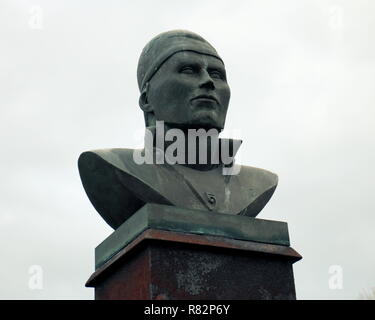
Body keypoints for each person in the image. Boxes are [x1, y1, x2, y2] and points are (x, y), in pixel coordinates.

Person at [78, 30, 278, 229]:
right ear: (147, 99)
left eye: (217, 74)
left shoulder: (259, 183)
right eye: (189, 70)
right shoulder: (118, 167)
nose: (208, 81)